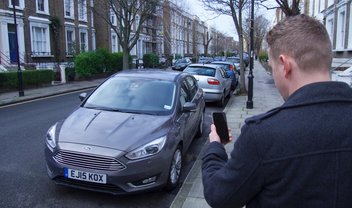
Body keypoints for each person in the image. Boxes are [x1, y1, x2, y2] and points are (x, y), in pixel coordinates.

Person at [202, 14, 352, 208]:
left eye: (272, 68)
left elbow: (219, 195)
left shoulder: (263, 135)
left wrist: (215, 146)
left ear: (285, 65)